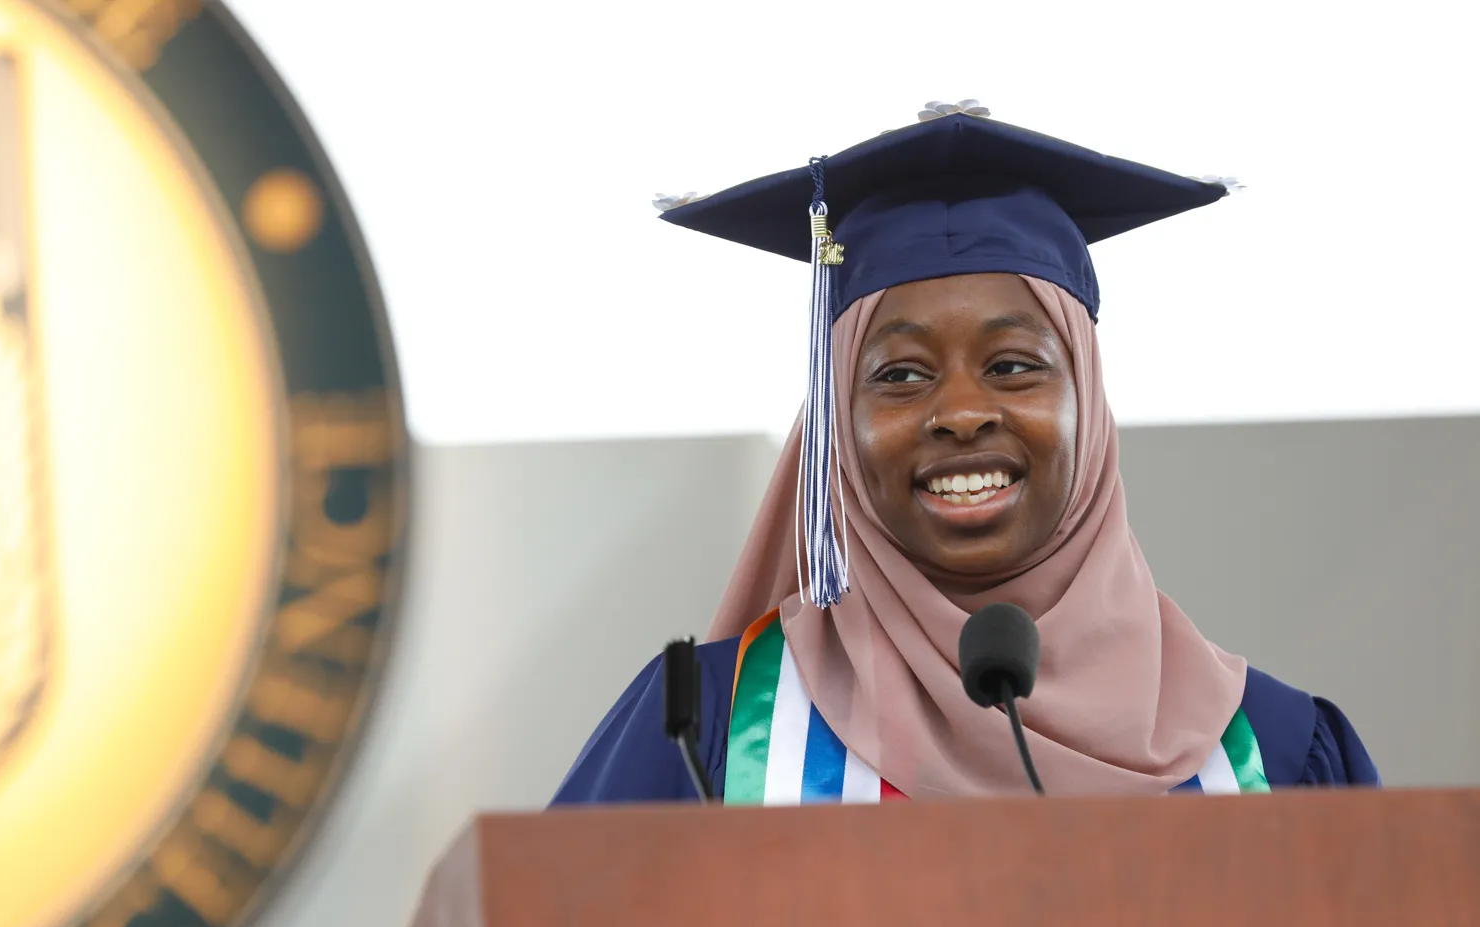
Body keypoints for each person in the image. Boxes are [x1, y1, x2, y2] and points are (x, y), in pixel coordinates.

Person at [552, 104, 1379, 805]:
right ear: (837, 420)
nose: (958, 413)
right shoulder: (711, 731)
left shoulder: (1277, 754)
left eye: (1013, 366)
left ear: (1086, 403)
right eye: (900, 375)